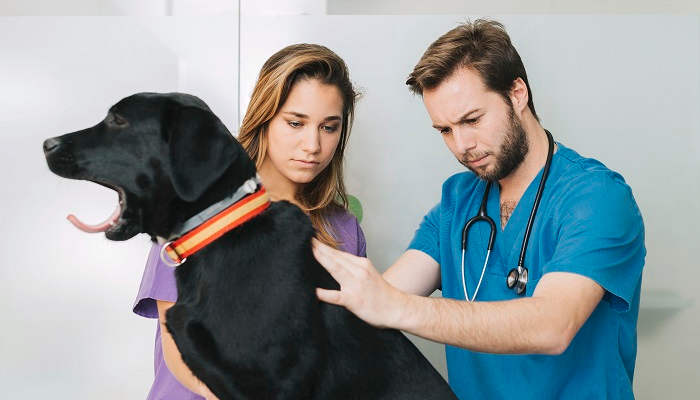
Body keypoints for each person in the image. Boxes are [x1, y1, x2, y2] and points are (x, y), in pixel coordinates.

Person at [312, 19, 645, 399]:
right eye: (445, 130)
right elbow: (375, 299)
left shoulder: (596, 198)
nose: (461, 145)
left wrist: (396, 308)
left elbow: (552, 326)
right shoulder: (458, 202)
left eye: (472, 120)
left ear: (517, 93)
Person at [132, 43, 365, 399]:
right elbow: (179, 349)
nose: (313, 145)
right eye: (295, 123)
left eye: (329, 127)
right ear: (264, 119)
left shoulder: (344, 232)